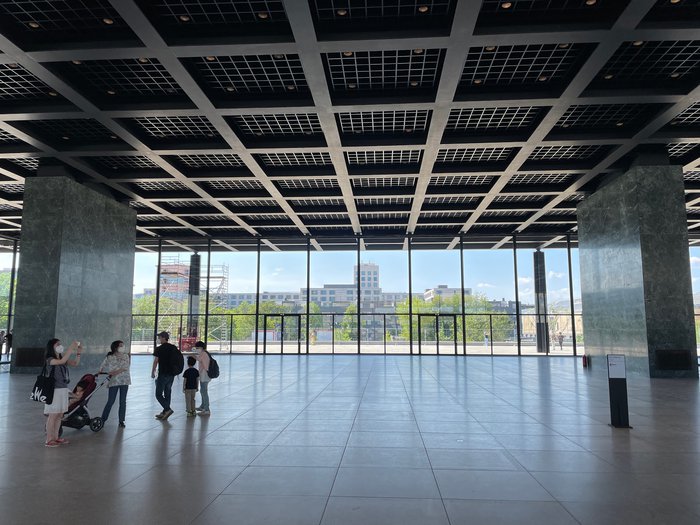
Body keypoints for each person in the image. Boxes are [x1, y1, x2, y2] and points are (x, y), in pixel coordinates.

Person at [44, 339, 82, 447]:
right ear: (52, 346)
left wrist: (78, 353)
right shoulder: (50, 359)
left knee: (60, 415)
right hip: (54, 390)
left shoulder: (61, 359)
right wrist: (71, 348)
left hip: (62, 389)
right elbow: (61, 361)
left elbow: (75, 363)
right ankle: (49, 439)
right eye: (58, 344)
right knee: (53, 415)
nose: (60, 346)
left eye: (61, 344)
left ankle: (56, 437)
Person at [99, 340, 131, 428]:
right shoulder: (110, 357)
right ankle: (103, 419)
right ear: (116, 347)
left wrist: (114, 372)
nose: (122, 347)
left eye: (123, 346)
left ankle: (121, 421)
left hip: (124, 381)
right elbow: (103, 365)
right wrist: (100, 371)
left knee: (122, 401)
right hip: (114, 381)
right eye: (121, 346)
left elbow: (125, 367)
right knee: (110, 401)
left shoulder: (126, 356)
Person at [151, 331, 179, 420]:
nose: (158, 339)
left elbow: (156, 361)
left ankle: (167, 409)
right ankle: (165, 412)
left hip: (163, 373)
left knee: (158, 394)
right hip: (171, 374)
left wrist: (153, 371)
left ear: (163, 338)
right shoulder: (173, 347)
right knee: (167, 393)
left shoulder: (159, 349)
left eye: (159, 337)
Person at [194, 341, 211, 415]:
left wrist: (194, 357)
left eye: (197, 348)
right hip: (204, 374)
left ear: (201, 347)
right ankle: (203, 406)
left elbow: (201, 361)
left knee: (204, 391)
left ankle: (206, 409)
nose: (197, 349)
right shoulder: (204, 353)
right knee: (203, 391)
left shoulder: (204, 354)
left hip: (204, 374)